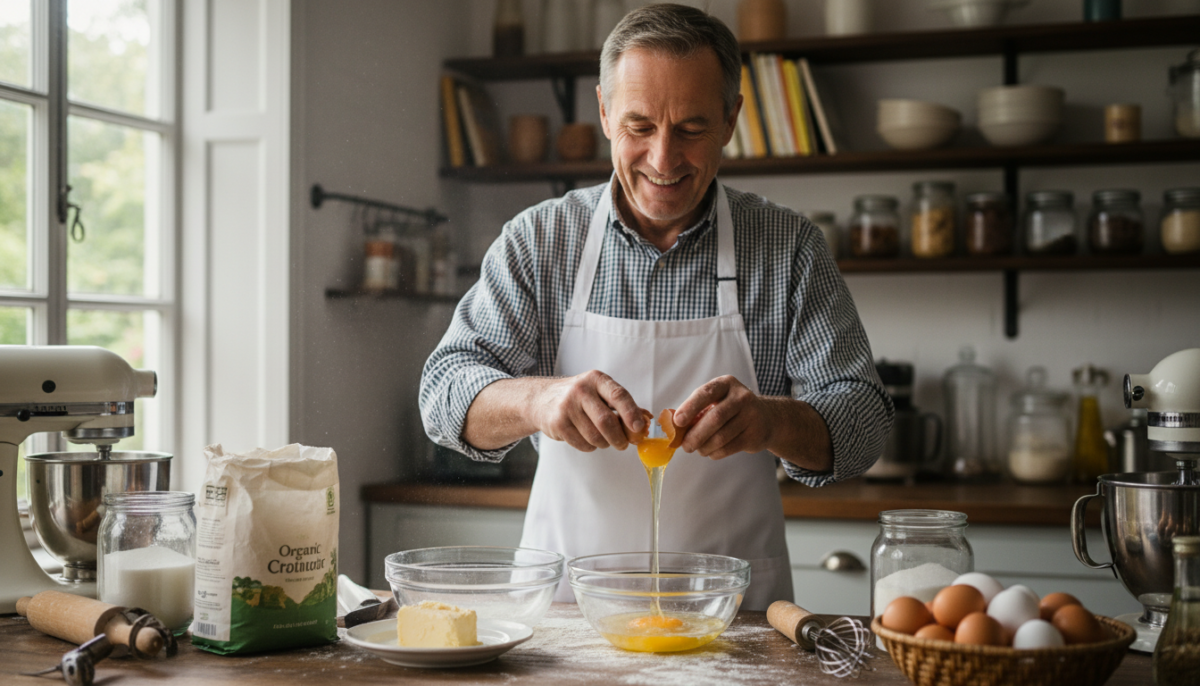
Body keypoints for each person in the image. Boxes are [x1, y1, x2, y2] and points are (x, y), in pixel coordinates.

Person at [420, 4, 892, 610]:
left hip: (733, 622)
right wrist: (540, 400)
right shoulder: (540, 241)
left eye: (691, 129)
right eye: (640, 126)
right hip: (568, 620)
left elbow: (864, 424)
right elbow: (443, 394)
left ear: (730, 119)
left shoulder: (787, 248)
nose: (664, 160)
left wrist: (770, 422)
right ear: (604, 113)